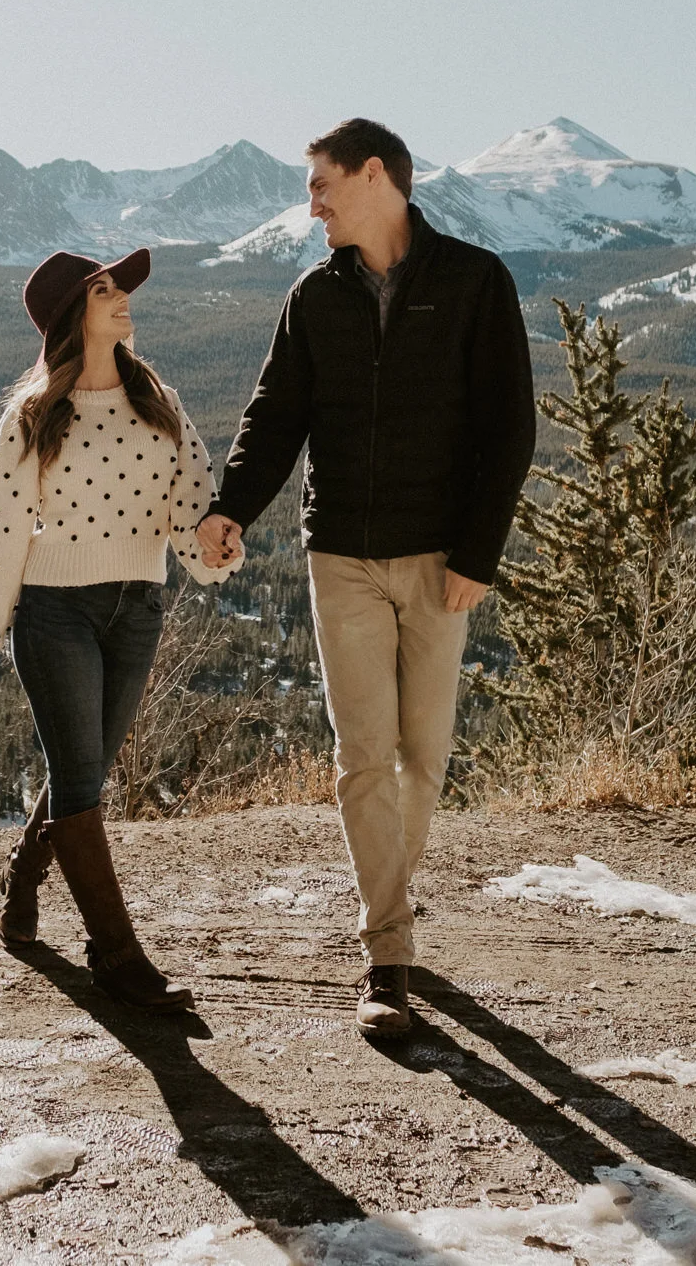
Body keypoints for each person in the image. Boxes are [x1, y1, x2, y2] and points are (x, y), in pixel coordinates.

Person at [195, 119, 535, 1039]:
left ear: (374, 175)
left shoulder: (474, 281)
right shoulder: (315, 297)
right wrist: (231, 505)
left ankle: (393, 901)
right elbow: (276, 415)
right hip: (338, 551)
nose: (311, 204)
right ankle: (388, 954)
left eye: (320, 185)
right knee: (362, 758)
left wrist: (478, 553)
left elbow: (511, 427)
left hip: (439, 559)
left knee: (424, 759)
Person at [0, 246, 243, 1010]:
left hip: (137, 609)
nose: (123, 300)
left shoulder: (159, 400)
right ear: (72, 315)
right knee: (80, 782)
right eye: (106, 290)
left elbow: (193, 509)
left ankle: (21, 874)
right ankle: (117, 955)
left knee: (85, 773)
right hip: (55, 612)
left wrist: (214, 545)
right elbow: (5, 534)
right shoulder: (32, 414)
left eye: (119, 288)